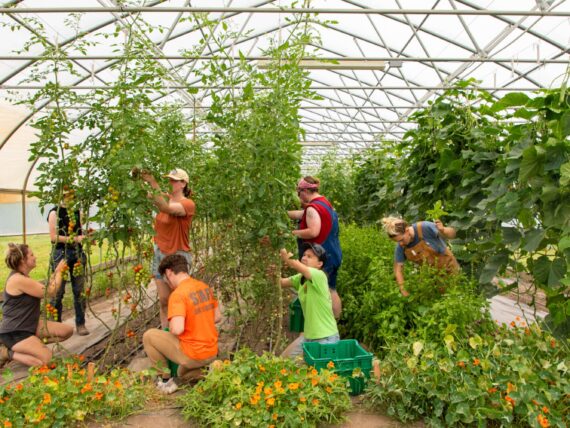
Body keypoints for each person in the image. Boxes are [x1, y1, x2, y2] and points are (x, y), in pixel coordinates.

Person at [142, 254, 221, 394]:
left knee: (149, 336)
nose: (167, 283)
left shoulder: (178, 294)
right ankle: (210, 370)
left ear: (169, 272)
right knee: (182, 374)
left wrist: (171, 325)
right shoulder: (204, 287)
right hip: (211, 351)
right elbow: (217, 318)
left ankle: (165, 381)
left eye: (166, 279)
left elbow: (177, 329)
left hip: (193, 354)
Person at [0, 244, 73, 368]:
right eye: (32, 255)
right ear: (23, 260)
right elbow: (50, 291)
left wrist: (56, 272)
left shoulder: (24, 277)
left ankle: (32, 346)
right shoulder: (17, 280)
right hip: (15, 332)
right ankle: (6, 353)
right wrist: (60, 271)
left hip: (30, 325)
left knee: (67, 331)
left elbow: (46, 288)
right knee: (49, 363)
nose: (35, 257)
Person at [141, 168, 196, 328]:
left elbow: (166, 208)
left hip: (177, 255)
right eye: (170, 179)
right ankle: (166, 333)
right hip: (159, 253)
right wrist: (140, 177)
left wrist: (152, 181)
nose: (171, 182)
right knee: (164, 300)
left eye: (174, 180)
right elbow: (149, 195)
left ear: (183, 183)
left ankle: (185, 334)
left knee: (179, 300)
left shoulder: (187, 204)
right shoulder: (165, 197)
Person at [287, 176, 343, 318]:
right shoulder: (324, 203)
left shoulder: (312, 208)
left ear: (305, 191)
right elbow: (303, 214)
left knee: (325, 291)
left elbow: (313, 231)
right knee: (331, 289)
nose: (299, 197)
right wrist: (283, 215)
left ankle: (326, 327)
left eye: (299, 193)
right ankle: (335, 325)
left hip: (322, 256)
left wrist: (292, 233)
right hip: (333, 253)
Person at [280, 243, 339, 359]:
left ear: (319, 264)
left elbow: (293, 263)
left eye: (309, 256)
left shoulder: (319, 276)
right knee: (284, 360)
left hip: (325, 338)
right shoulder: (300, 278)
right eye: (304, 255)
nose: (304, 258)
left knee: (317, 373)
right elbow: (281, 283)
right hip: (308, 336)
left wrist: (279, 245)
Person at [47, 186, 90, 336]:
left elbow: (80, 231)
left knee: (79, 291)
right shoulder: (54, 212)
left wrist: (86, 235)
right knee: (58, 291)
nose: (72, 198)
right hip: (61, 253)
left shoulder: (78, 213)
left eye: (73, 195)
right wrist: (75, 238)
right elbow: (53, 237)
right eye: (69, 195)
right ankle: (55, 327)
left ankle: (80, 324)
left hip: (77, 252)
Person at [381, 217, 460, 297]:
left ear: (407, 230)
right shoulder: (402, 246)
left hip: (449, 268)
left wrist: (444, 230)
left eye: (401, 240)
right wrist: (403, 290)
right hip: (431, 276)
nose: (400, 244)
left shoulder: (424, 227)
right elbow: (398, 269)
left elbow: (453, 234)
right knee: (435, 298)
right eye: (398, 241)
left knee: (455, 295)